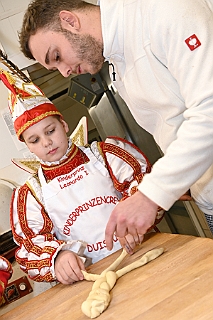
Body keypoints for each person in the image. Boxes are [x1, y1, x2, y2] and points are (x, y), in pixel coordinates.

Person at [18, 0, 211, 251]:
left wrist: (153, 193)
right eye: (54, 68)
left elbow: (210, 108)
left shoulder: (163, 10)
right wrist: (180, 176)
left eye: (57, 56)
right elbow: (175, 120)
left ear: (69, 21)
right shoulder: (116, 59)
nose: (64, 72)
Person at [0, 68, 163, 285]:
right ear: (28, 147)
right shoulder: (32, 194)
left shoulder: (106, 155)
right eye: (35, 140)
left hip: (141, 254)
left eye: (50, 131)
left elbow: (144, 184)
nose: (46, 142)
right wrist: (57, 258)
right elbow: (32, 245)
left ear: (64, 125)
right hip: (89, 281)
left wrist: (133, 219)